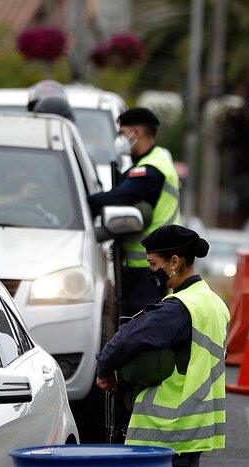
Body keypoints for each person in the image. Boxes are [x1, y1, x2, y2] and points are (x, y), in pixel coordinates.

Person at [95, 224, 229, 467]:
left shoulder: (178, 308)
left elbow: (127, 338)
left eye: (153, 264)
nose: (151, 271)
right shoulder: (213, 303)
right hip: (197, 420)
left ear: (175, 262)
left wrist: (104, 369)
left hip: (170, 424)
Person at [88, 107, 181, 317]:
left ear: (136, 132)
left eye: (122, 133)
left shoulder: (151, 167)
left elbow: (121, 197)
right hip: (149, 263)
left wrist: (86, 203)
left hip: (147, 266)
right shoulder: (153, 161)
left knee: (141, 323)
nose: (119, 139)